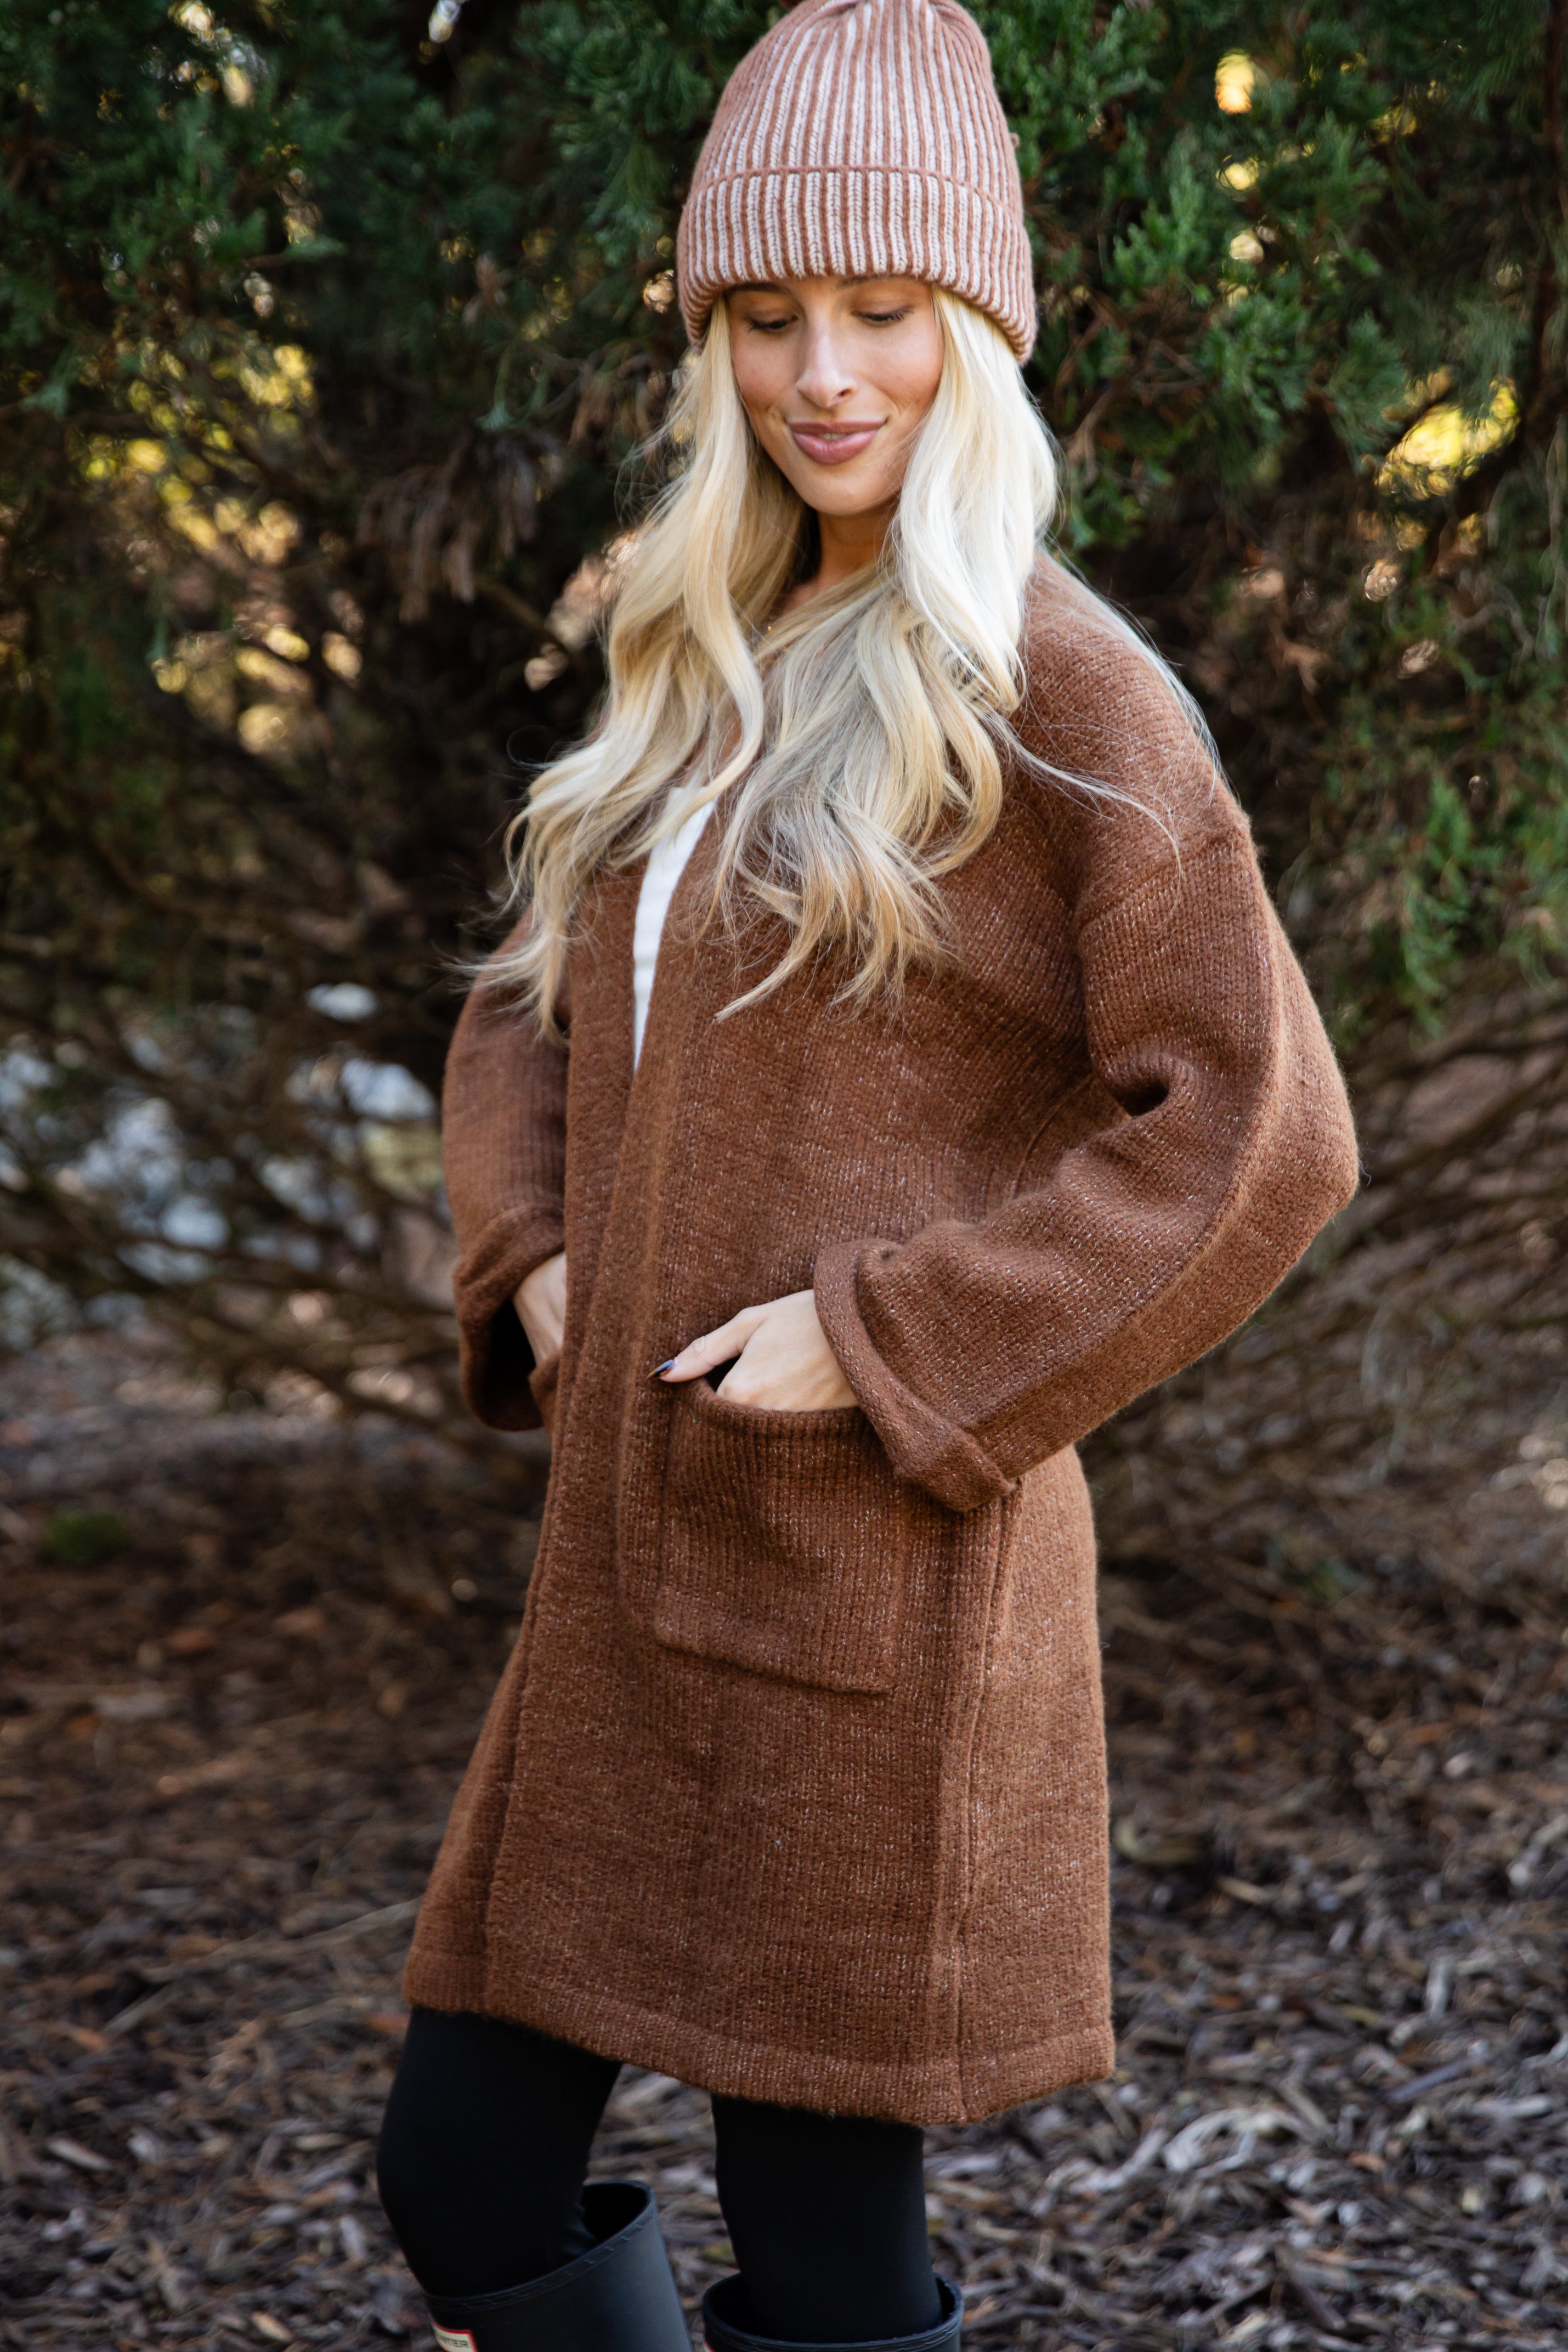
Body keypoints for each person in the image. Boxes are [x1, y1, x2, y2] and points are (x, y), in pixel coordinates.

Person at [376, 2, 1360, 2345]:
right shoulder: (703, 644)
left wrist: (890, 1339)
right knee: (461, 2169)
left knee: (821, 2245)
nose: (823, 374)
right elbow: (528, 992)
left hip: (863, 1584)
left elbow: (1260, 1131)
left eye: (883, 310)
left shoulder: (1058, 689)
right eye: (767, 315)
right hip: (625, 1572)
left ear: (977, 333)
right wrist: (531, 1243)